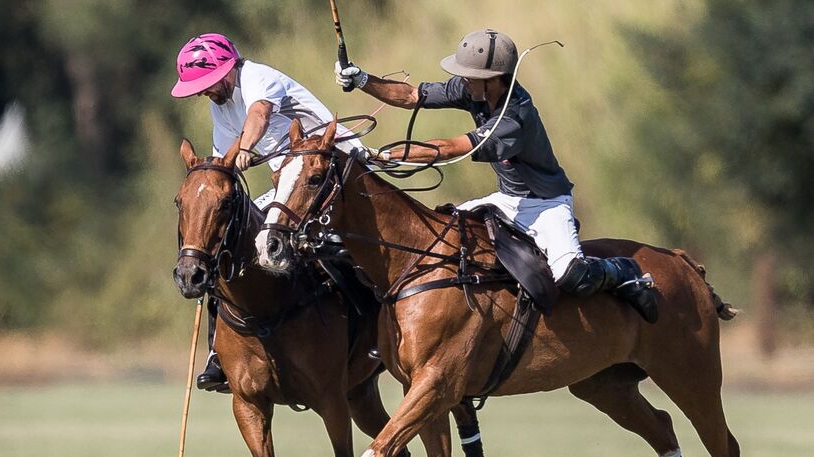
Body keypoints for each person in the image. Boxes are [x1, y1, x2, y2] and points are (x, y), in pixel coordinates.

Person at [335, 29, 658, 323]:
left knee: (572, 276)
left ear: (494, 79)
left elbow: (449, 148)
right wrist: (362, 79)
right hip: (506, 200)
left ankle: (625, 272)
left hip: (547, 205)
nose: (462, 81)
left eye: (470, 77)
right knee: (437, 239)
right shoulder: (474, 90)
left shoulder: (515, 117)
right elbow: (411, 96)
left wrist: (381, 155)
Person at [172, 33, 362, 391]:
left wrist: (246, 146)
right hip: (288, 189)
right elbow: (223, 160)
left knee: (341, 249)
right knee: (231, 240)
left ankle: (371, 326)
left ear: (226, 71)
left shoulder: (257, 78)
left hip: (332, 174)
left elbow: (259, 115)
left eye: (206, 84)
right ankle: (218, 352)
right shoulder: (219, 105)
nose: (202, 93)